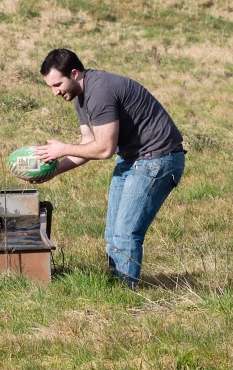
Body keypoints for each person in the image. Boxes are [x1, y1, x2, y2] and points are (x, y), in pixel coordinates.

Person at [31, 48, 185, 289]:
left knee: (125, 235)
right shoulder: (80, 96)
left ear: (74, 73)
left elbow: (103, 149)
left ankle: (125, 294)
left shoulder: (100, 91)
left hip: (157, 159)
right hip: (132, 159)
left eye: (57, 84)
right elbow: (87, 147)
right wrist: (53, 171)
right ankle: (118, 290)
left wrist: (62, 148)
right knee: (113, 236)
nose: (55, 92)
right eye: (50, 86)